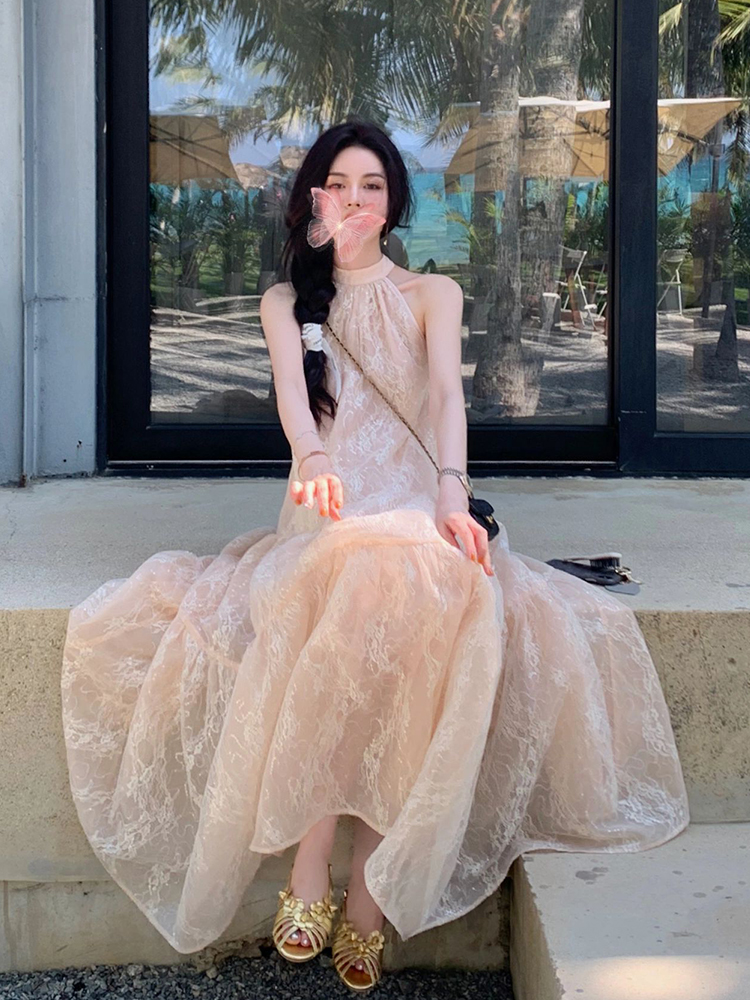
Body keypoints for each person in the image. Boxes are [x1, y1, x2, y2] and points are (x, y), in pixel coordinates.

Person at [60, 119, 690, 993]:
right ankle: (317, 867)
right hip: (328, 506)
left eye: (372, 186)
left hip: (415, 499)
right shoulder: (285, 303)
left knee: (420, 588)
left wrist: (451, 495)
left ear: (393, 203)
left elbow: (446, 402)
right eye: (338, 184)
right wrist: (314, 459)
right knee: (358, 579)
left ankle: (361, 891)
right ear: (312, 200)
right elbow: (295, 402)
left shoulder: (434, 292)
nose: (354, 199)